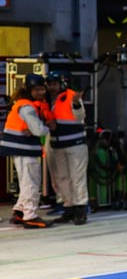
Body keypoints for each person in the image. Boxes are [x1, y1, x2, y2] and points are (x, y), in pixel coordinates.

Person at [3, 75, 55, 229]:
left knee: (26, 182)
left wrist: (34, 130)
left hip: (19, 149)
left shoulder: (21, 104)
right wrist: (46, 127)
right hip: (24, 149)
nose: (41, 92)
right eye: (37, 90)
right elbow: (39, 130)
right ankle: (30, 215)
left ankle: (19, 211)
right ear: (29, 90)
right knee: (31, 183)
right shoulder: (27, 107)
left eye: (42, 89)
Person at [44, 72, 89, 225]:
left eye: (54, 84)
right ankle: (68, 208)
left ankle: (81, 209)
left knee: (77, 177)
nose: (51, 88)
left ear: (61, 84)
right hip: (57, 146)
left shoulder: (71, 96)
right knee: (62, 179)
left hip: (75, 145)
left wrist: (76, 102)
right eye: (49, 84)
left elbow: (80, 115)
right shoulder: (46, 101)